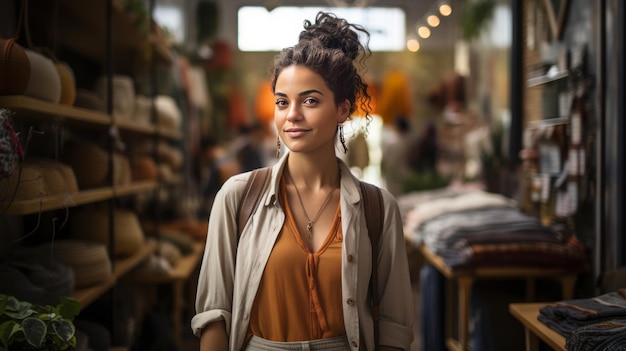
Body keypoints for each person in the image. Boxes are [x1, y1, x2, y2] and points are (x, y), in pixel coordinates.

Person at [192, 12, 414, 351]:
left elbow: (395, 327)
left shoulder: (378, 209)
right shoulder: (237, 197)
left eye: (310, 100)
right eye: (282, 102)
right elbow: (213, 316)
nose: (292, 114)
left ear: (342, 109)